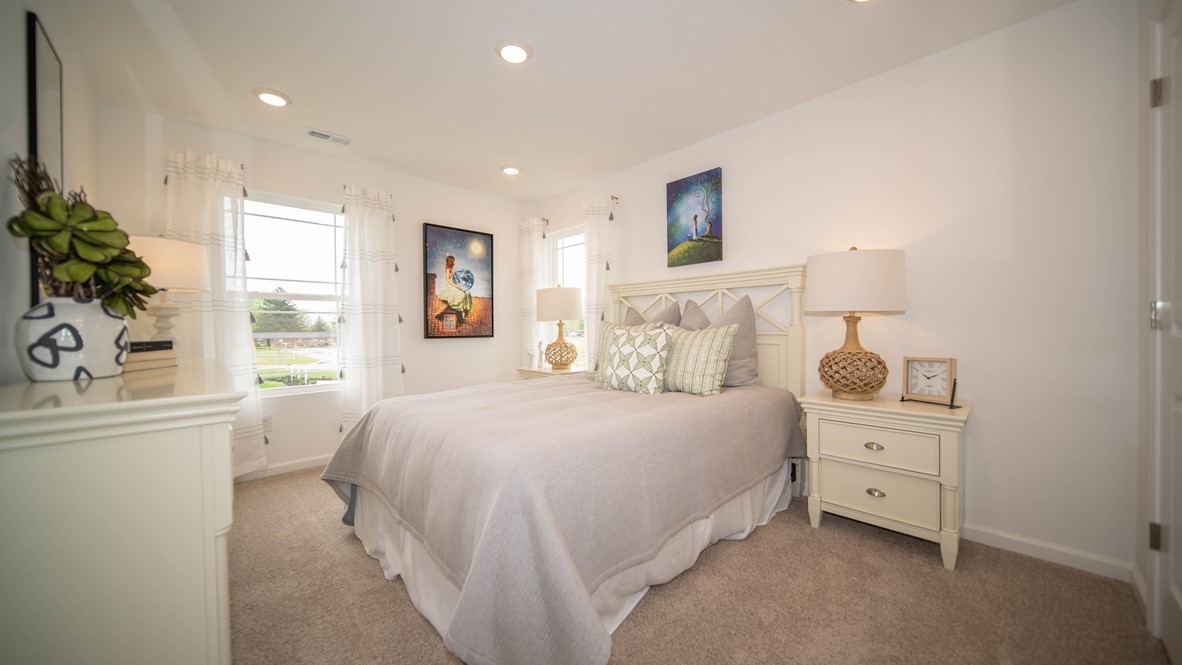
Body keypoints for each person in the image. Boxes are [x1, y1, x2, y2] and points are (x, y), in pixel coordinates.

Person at [436, 255, 473, 324]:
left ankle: (463, 313)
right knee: (460, 295)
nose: (454, 262)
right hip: (450, 286)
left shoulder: (451, 269)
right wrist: (456, 286)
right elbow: (448, 279)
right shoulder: (448, 269)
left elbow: (454, 279)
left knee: (466, 293)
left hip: (454, 285)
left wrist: (459, 283)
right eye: (453, 261)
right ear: (451, 262)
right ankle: (460, 316)